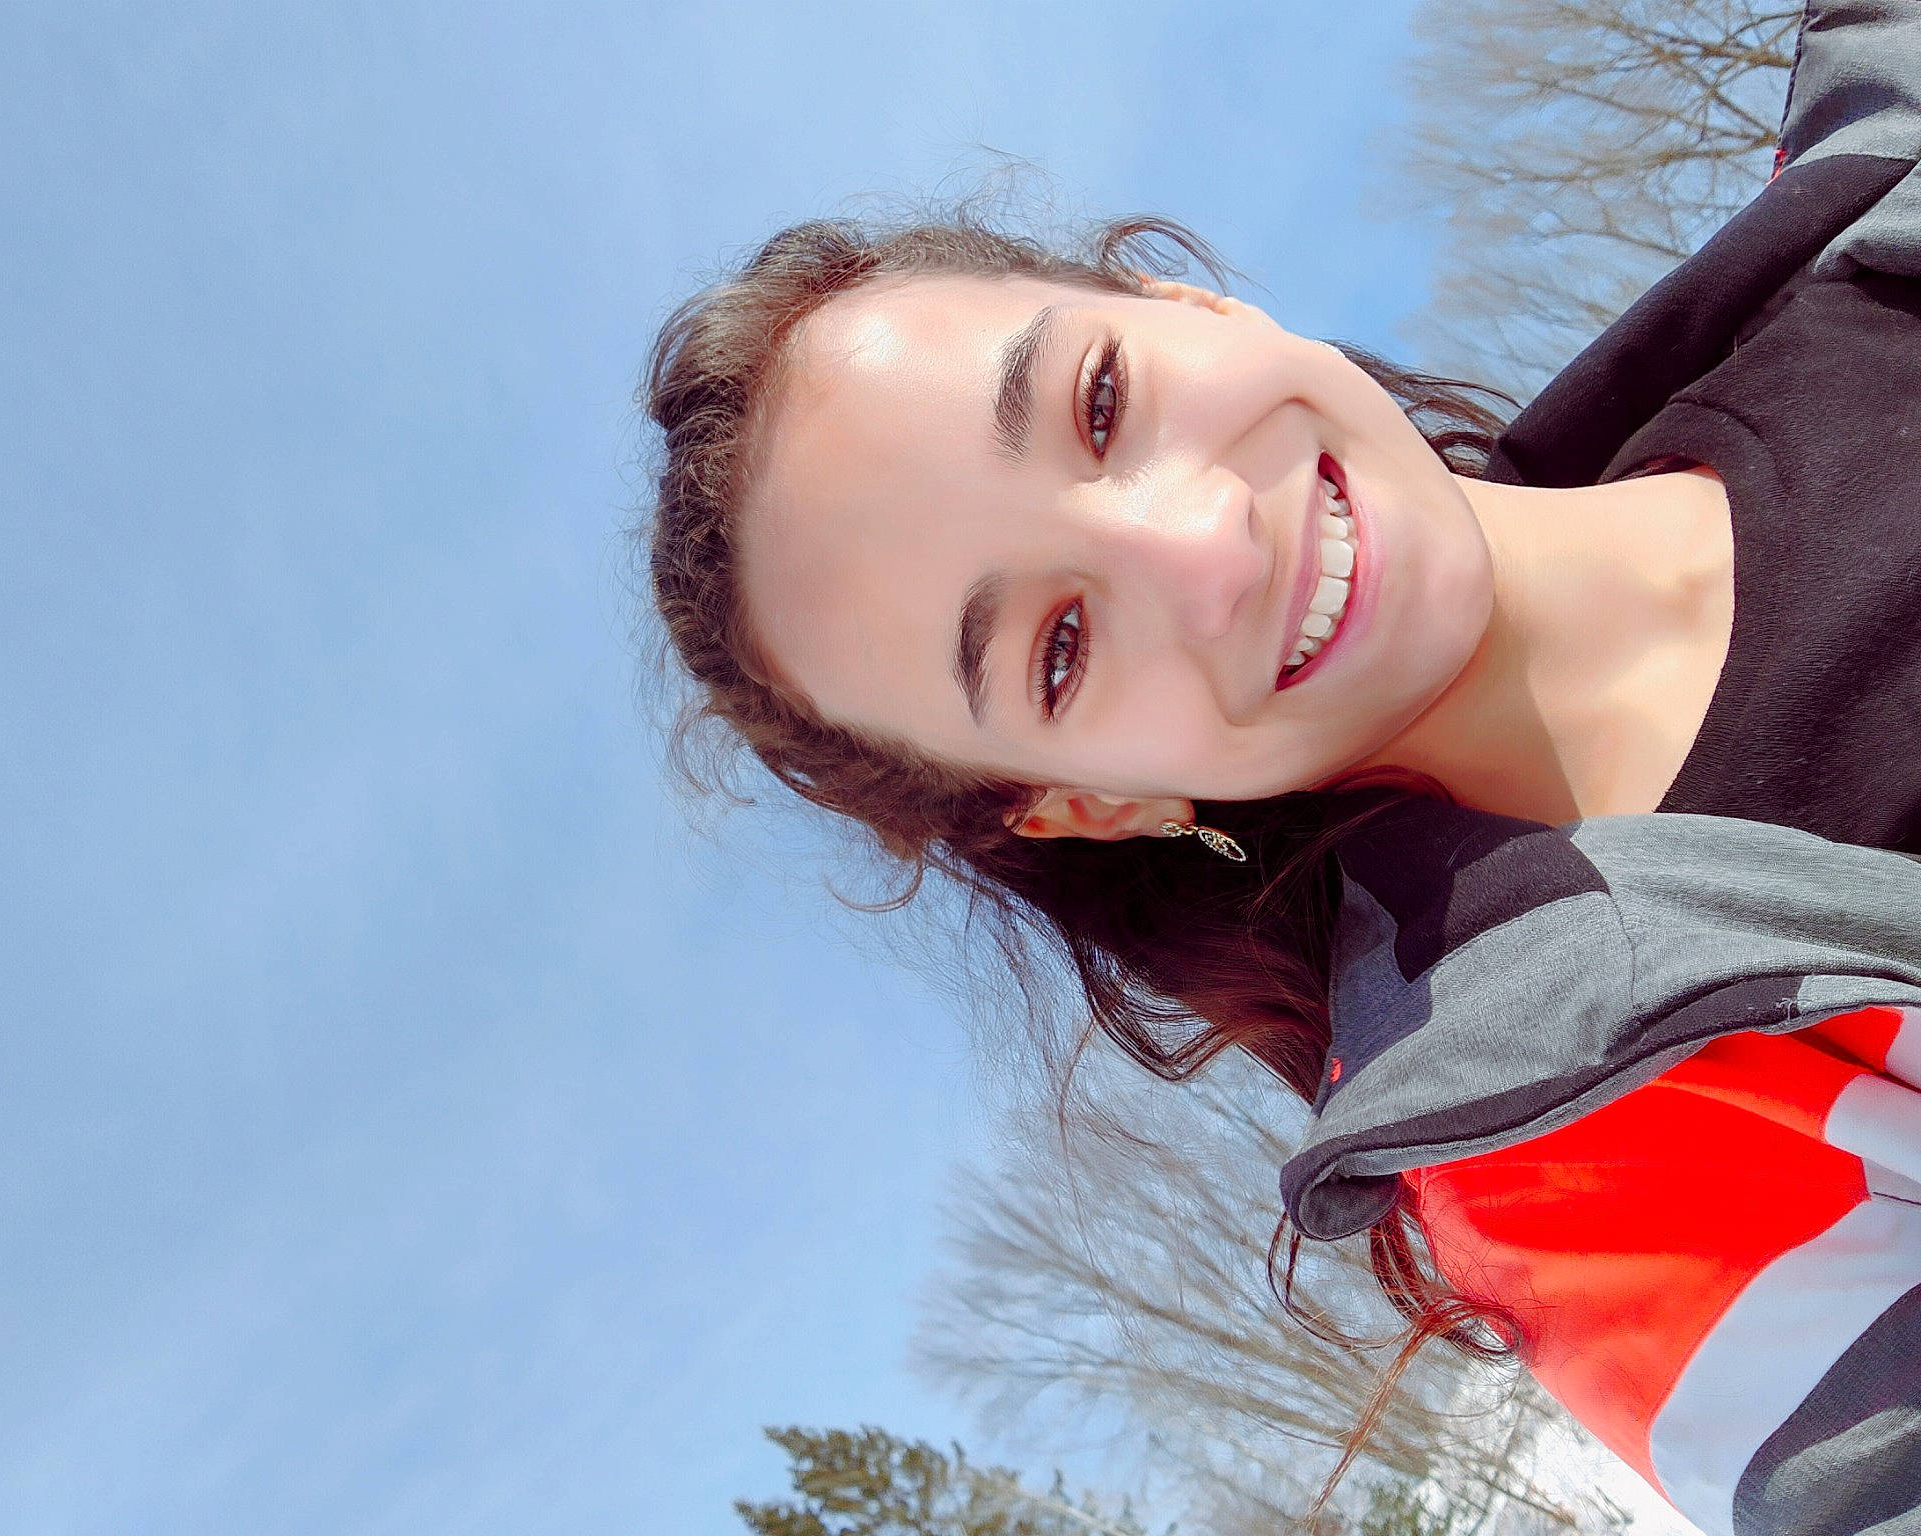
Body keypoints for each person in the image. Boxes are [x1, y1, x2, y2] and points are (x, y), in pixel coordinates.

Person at [641, 2, 1921, 1529]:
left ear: (1199, 306)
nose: (1205, 545)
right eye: (1058, 646)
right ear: (1093, 805)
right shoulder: (1602, 1159)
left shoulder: (1876, 143)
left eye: (1098, 405)